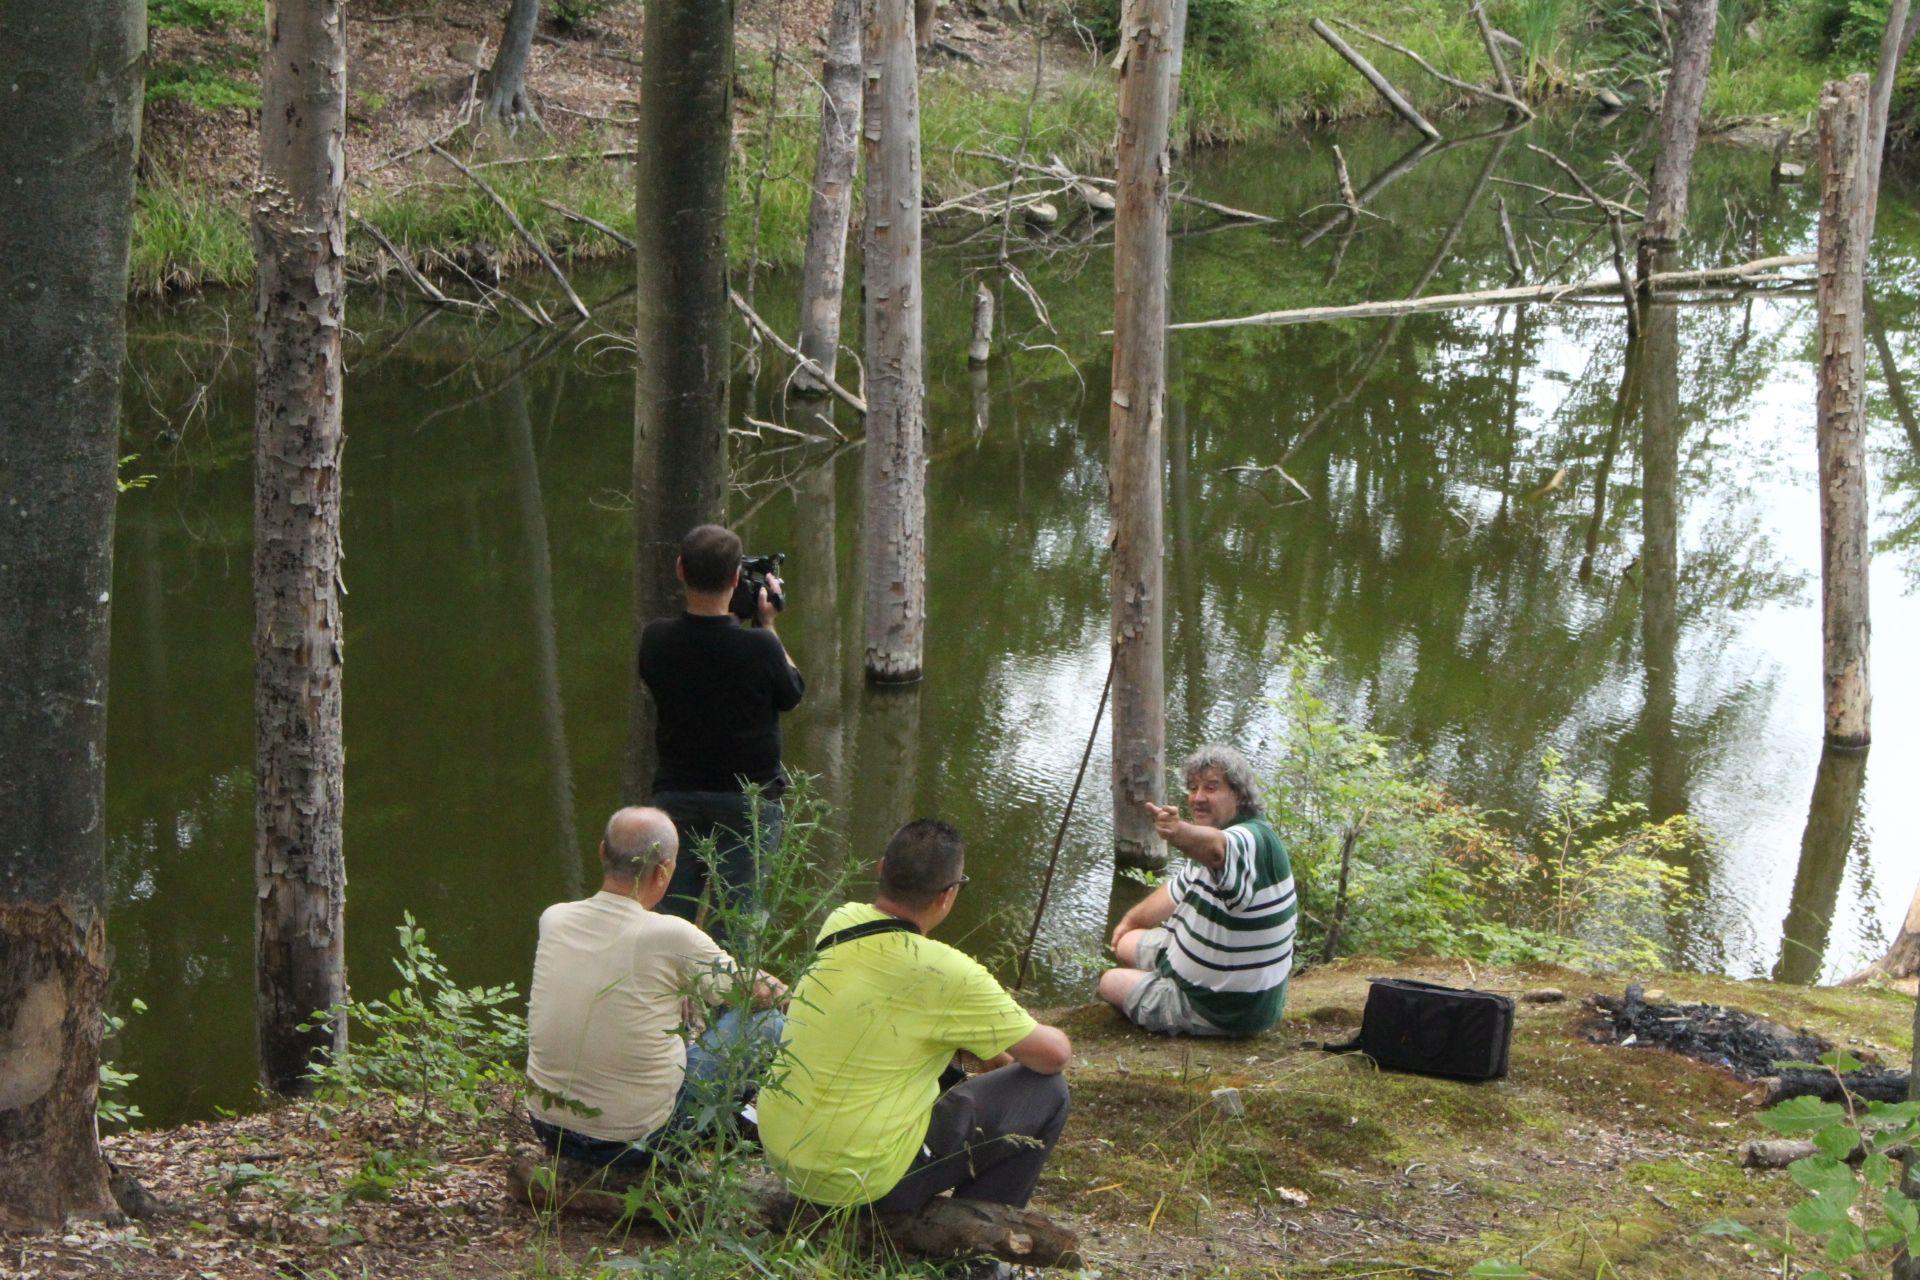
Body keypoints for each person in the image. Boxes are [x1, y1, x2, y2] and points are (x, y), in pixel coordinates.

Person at [759, 820, 1072, 1213]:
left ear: (881, 868)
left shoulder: (841, 921)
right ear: (948, 895)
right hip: (862, 1183)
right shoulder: (949, 974)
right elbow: (1053, 1055)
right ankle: (973, 1257)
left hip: (785, 1158)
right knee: (1048, 1092)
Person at [525, 806, 786, 1169]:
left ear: (602, 852)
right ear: (664, 870)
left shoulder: (554, 918)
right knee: (769, 1024)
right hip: (635, 1144)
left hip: (548, 1127)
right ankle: (721, 1128)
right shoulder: (670, 935)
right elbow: (761, 994)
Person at [637, 523, 805, 950]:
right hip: (748, 800)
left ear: (679, 569)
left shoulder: (655, 639)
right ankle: (727, 1010)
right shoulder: (761, 647)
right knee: (738, 922)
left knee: (670, 920)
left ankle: (670, 1009)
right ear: (735, 578)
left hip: (677, 794)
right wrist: (766, 625)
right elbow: (793, 692)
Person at [1098, 745, 1296, 1038]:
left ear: (1239, 795)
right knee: (1126, 941)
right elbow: (1174, 892)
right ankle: (1167, 974)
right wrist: (1130, 921)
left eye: (1211, 788)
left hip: (1222, 1008)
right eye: (1193, 788)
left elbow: (1217, 849)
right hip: (1204, 976)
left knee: (1110, 982)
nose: (1198, 798)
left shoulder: (1250, 841)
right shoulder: (1219, 843)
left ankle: (1170, 1001)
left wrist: (1177, 831)